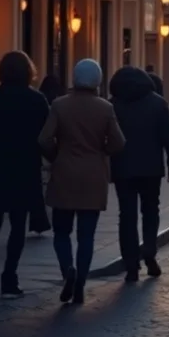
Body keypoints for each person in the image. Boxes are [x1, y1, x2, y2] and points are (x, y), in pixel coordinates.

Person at [38, 58, 125, 306]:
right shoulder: (105, 108)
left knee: (61, 231)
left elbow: (44, 139)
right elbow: (119, 142)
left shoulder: (60, 105)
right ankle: (80, 284)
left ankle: (68, 269)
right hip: (93, 176)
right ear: (98, 81)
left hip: (65, 173)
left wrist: (57, 156)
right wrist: (102, 152)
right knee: (87, 235)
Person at [0, 50, 49, 297]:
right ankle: (9, 277)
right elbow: (45, 136)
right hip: (25, 168)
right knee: (18, 225)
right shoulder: (37, 101)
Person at [108, 65, 169, 282]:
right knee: (150, 210)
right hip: (151, 167)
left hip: (123, 167)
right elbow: (168, 137)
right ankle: (149, 250)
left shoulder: (113, 105)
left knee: (126, 215)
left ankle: (131, 264)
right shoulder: (158, 103)